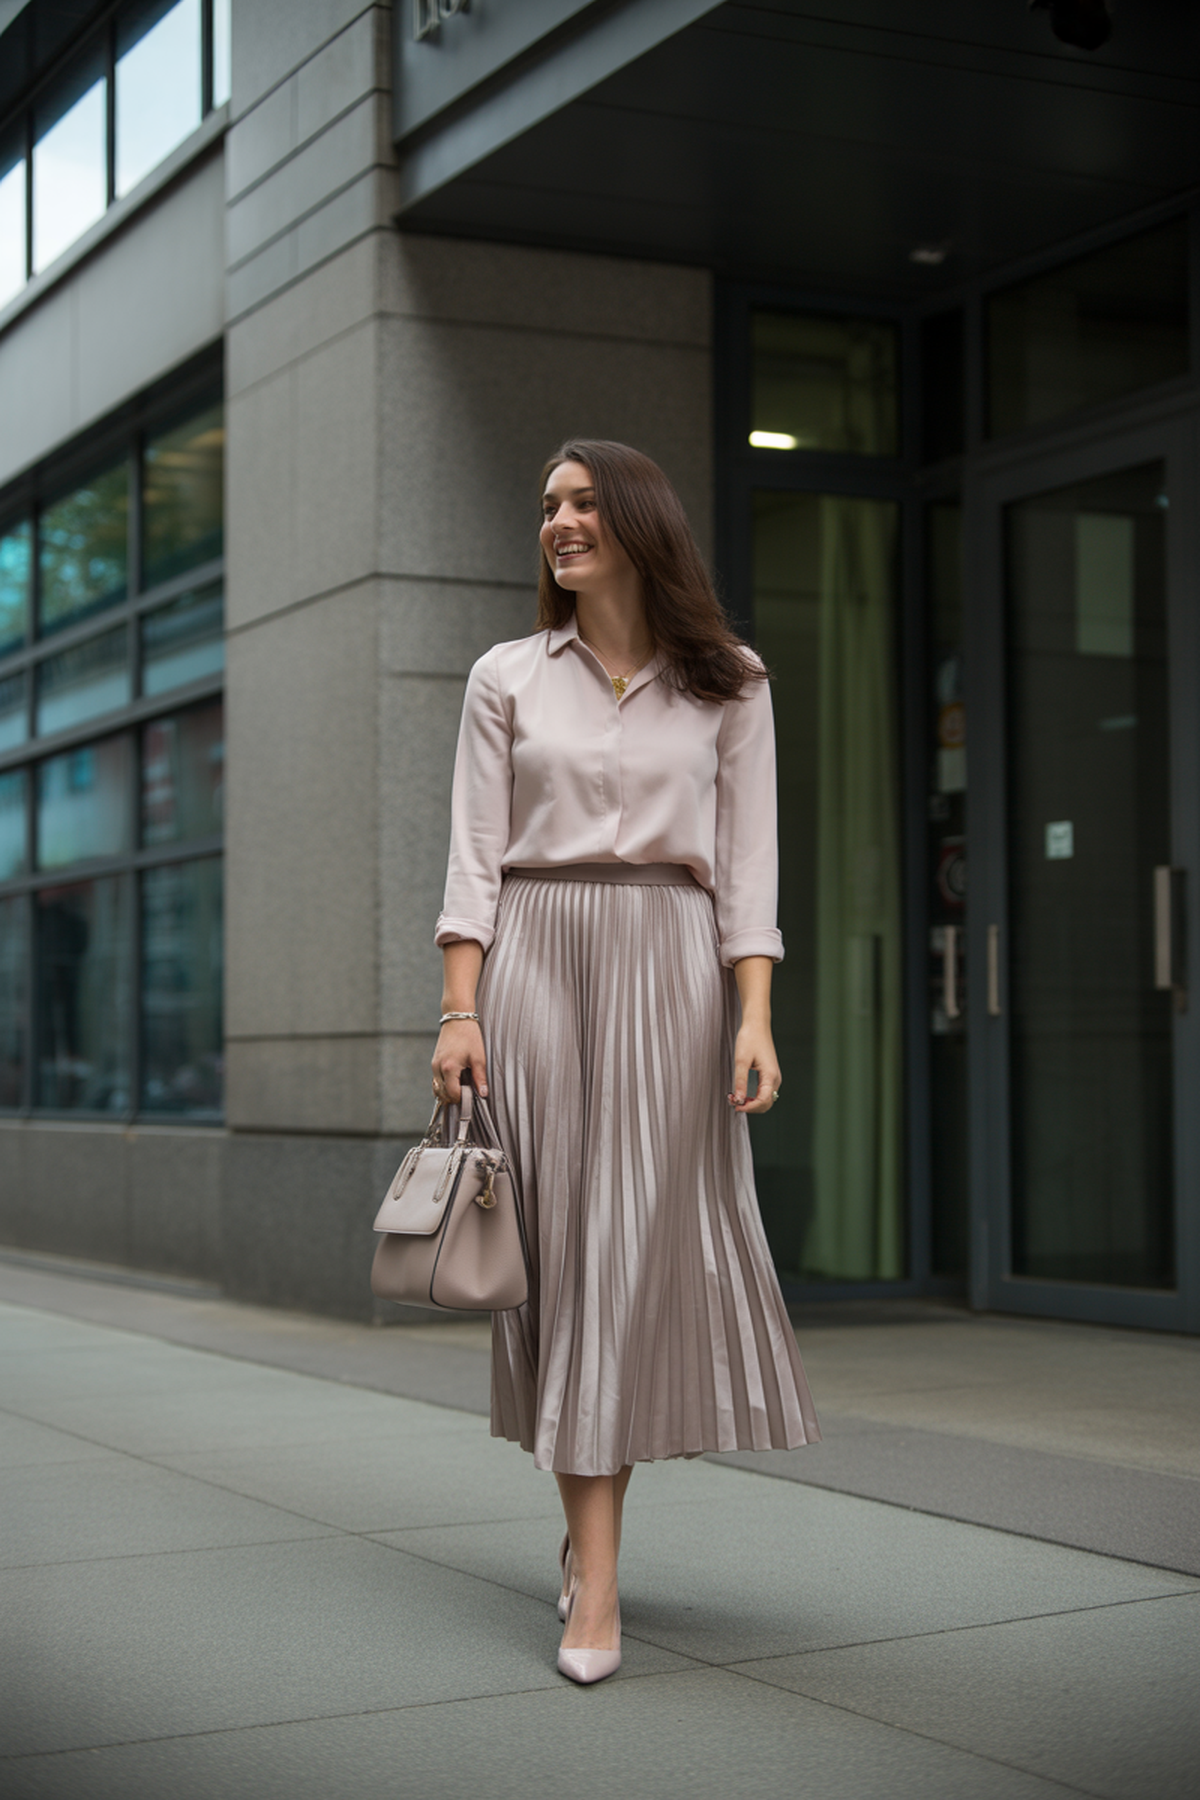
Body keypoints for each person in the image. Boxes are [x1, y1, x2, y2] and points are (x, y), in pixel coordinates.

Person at [431, 439, 820, 1685]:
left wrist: (753, 1015)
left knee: (626, 1265)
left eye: (585, 501)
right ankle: (594, 1572)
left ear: (640, 519)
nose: (559, 521)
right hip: (537, 962)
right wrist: (459, 1010)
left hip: (672, 964)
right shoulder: (505, 676)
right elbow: (474, 859)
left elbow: (749, 866)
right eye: (547, 503)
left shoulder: (731, 682)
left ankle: (589, 1570)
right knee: (558, 1267)